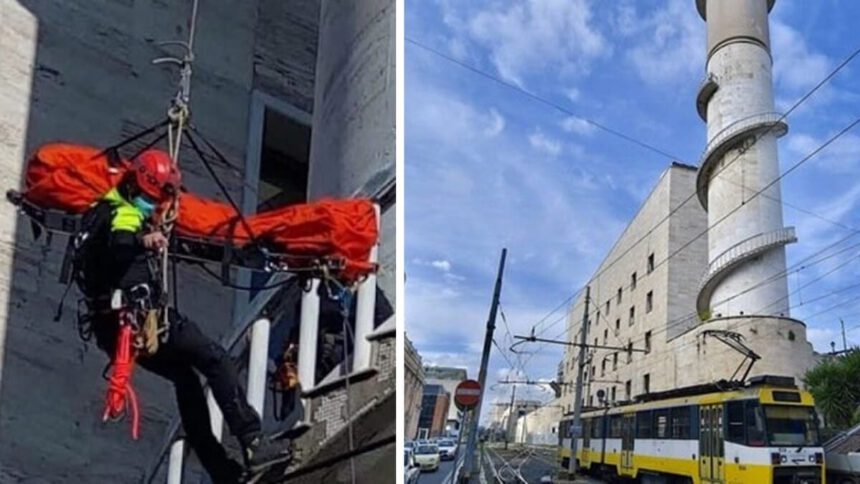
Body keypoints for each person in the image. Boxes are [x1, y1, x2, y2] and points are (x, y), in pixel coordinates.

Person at [72, 149, 287, 483]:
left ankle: (221, 471)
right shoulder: (123, 212)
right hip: (140, 320)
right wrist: (146, 240)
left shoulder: (95, 213)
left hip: (112, 330)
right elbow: (121, 243)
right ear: (136, 188)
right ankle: (253, 442)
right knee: (215, 359)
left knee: (186, 380)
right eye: (150, 198)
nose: (152, 205)